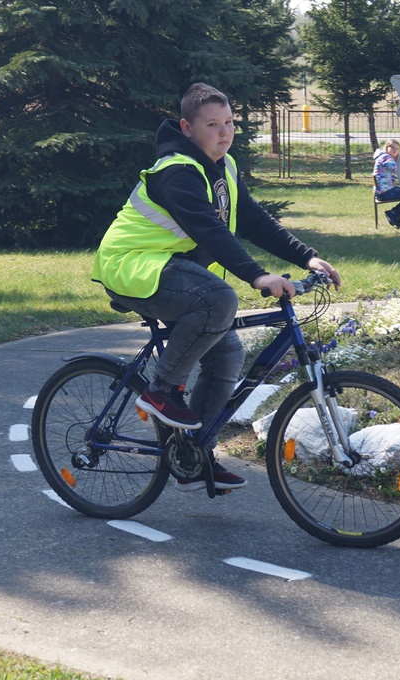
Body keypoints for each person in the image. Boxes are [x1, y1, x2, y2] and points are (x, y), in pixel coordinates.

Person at [91, 82, 341, 492]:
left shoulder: (223, 166)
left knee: (227, 353)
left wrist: (306, 257)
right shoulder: (176, 172)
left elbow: (253, 220)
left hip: (172, 269)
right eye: (212, 125)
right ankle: (160, 390)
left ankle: (193, 455)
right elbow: (210, 231)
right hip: (133, 268)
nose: (224, 132)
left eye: (229, 123)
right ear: (187, 128)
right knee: (218, 300)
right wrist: (258, 275)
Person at [373, 139, 400, 227]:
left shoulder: (383, 157)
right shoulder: (385, 158)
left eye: (397, 148)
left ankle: (395, 215)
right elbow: (398, 170)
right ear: (387, 147)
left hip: (382, 190)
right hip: (385, 192)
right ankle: (394, 214)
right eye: (392, 147)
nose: (395, 150)